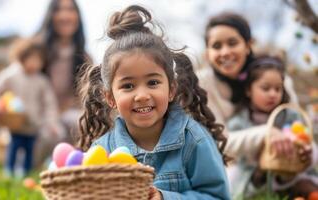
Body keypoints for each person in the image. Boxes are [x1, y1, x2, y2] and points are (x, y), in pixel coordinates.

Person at [76, 5, 230, 200]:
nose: (141, 95)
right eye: (128, 86)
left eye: (153, 82)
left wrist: (165, 197)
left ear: (171, 89)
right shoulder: (102, 151)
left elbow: (218, 196)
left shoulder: (194, 140)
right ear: (110, 98)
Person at [197, 12, 304, 163]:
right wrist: (267, 133)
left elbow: (298, 124)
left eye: (232, 43)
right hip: (235, 169)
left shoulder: (276, 77)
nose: (225, 52)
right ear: (207, 54)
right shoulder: (202, 84)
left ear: (248, 45)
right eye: (216, 46)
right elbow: (218, 141)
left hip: (282, 161)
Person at [227, 56, 318, 199]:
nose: (273, 94)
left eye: (278, 89)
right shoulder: (239, 121)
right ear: (248, 90)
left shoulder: (290, 115)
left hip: (292, 173)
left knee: (306, 187)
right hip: (255, 176)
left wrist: (308, 151)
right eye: (265, 88)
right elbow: (233, 149)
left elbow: (306, 138)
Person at [0, 38, 61, 177]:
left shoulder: (42, 81)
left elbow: (50, 104)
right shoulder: (10, 75)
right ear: (22, 57)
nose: (36, 64)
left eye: (39, 60)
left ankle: (26, 171)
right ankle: (9, 171)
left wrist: (52, 123)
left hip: (33, 126)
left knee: (30, 149)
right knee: (13, 147)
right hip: (14, 125)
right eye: (32, 59)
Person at [36, 0, 91, 136]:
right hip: (39, 118)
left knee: (84, 124)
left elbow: (90, 96)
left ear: (77, 16)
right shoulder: (36, 52)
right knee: (50, 135)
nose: (65, 16)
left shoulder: (85, 58)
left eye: (70, 10)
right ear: (51, 16)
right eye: (59, 10)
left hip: (68, 116)